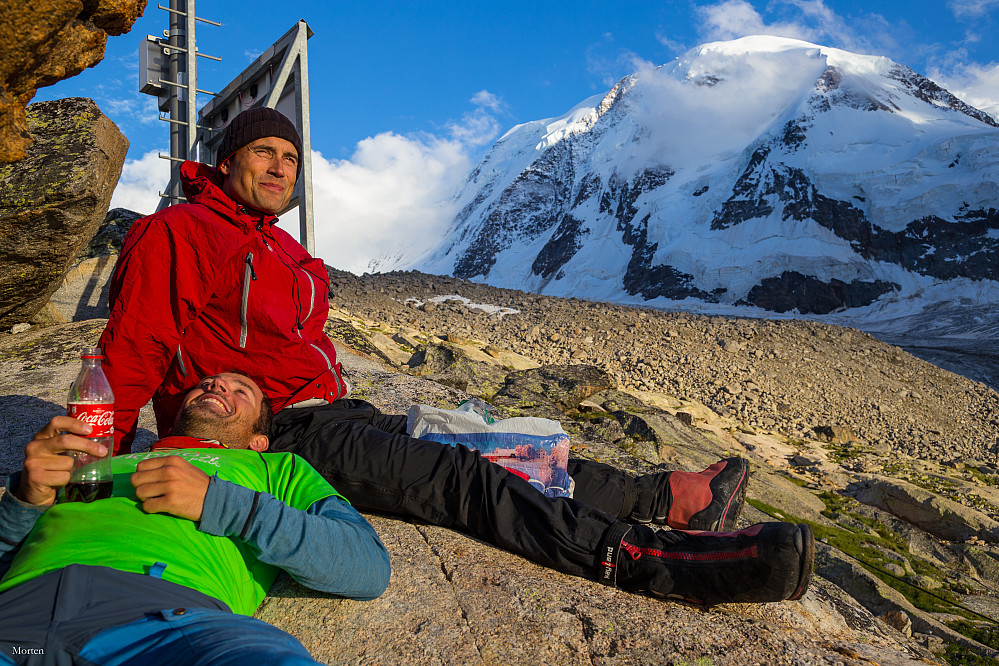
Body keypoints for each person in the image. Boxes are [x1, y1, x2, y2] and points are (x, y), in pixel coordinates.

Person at [96, 106, 814, 605]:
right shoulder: (184, 231)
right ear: (227, 162)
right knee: (459, 476)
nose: (281, 167)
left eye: (290, 157)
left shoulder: (277, 243)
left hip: (329, 411)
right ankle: (651, 560)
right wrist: (104, 461)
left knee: (492, 442)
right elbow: (135, 345)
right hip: (270, 431)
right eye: (264, 152)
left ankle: (672, 499)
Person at [0, 372, 389, 665]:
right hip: (15, 614)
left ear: (258, 440)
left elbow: (367, 566)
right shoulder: (100, 459)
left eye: (241, 391)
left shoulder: (277, 468)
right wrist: (24, 500)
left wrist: (219, 502)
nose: (217, 387)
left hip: (162, 623)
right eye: (207, 384)